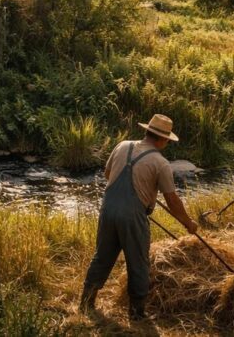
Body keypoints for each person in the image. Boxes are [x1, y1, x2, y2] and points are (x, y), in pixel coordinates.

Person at [79, 114, 198, 320]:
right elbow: (172, 201)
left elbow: (108, 174)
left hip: (108, 209)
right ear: (163, 139)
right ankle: (137, 314)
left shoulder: (123, 145)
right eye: (167, 141)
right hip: (132, 216)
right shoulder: (160, 163)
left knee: (102, 256)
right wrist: (189, 223)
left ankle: (86, 303)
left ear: (147, 132)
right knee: (138, 263)